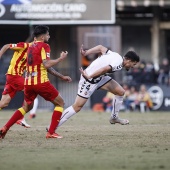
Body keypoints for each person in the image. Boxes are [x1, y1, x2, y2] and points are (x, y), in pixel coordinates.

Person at [0, 25, 72, 139]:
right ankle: (51, 132)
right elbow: (46, 64)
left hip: (28, 83)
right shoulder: (45, 46)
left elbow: (45, 66)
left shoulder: (30, 47)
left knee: (26, 107)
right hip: (41, 82)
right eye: (48, 34)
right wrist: (60, 58)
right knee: (60, 103)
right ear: (43, 37)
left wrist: (61, 77)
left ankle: (5, 128)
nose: (49, 36)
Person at [55, 44, 140, 129]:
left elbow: (100, 47)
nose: (132, 66)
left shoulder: (116, 55)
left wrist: (86, 53)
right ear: (129, 60)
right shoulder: (118, 63)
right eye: (133, 64)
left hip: (98, 78)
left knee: (120, 92)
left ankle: (114, 118)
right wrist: (90, 76)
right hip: (88, 80)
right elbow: (104, 69)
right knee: (77, 107)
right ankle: (54, 125)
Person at [0, 42, 34, 128]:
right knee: (32, 90)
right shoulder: (24, 45)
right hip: (13, 76)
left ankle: (20, 118)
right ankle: (20, 118)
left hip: (13, 78)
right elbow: (6, 46)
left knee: (4, 103)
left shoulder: (33, 53)